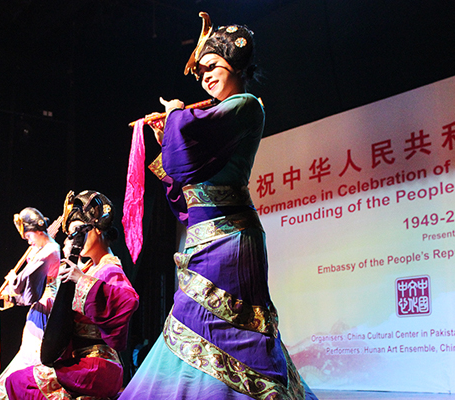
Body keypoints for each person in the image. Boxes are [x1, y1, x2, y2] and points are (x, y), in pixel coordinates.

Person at [119, 13, 317, 399]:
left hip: (229, 241)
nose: (206, 75)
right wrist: (171, 132)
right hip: (204, 237)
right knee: (191, 328)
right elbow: (185, 176)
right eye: (202, 69)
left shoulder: (245, 105)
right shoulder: (218, 113)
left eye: (213, 66)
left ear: (237, 65)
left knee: (220, 328)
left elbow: (186, 157)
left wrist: (176, 113)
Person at [3, 190, 139, 399]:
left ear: (98, 229)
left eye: (80, 231)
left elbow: (128, 301)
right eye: (72, 234)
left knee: (19, 383)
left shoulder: (110, 269)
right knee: (16, 381)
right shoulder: (90, 269)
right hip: (81, 361)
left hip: (96, 364)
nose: (75, 239)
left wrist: (82, 281)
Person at [0, 208, 61, 399]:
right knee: (28, 352)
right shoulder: (44, 247)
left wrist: (12, 281)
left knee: (32, 356)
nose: (28, 241)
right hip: (43, 305)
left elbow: (24, 287)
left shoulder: (48, 251)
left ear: (39, 231)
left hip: (45, 306)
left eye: (29, 235)